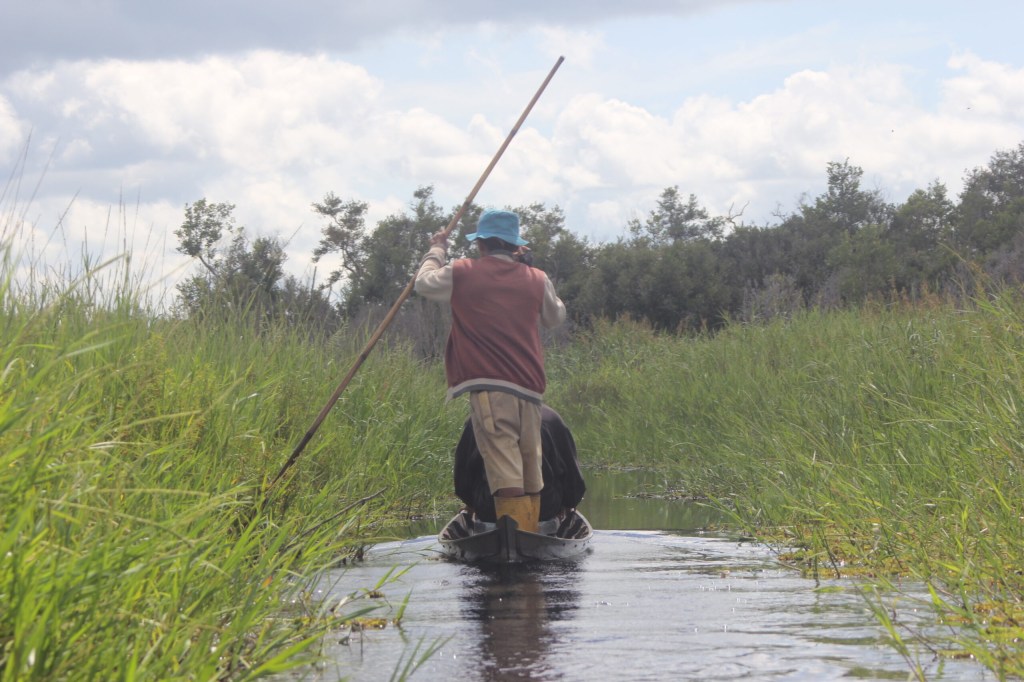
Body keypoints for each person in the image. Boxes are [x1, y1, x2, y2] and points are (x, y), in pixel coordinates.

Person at [414, 209, 566, 532]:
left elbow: (424, 284)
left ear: (481, 244)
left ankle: (515, 543)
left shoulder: (463, 272)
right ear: (515, 246)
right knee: (529, 470)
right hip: (530, 389)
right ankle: (527, 538)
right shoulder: (537, 278)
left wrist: (437, 250)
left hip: (490, 390)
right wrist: (530, 271)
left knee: (505, 471)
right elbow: (556, 317)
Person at [454, 404, 585, 527]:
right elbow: (573, 484)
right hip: (544, 509)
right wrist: (569, 504)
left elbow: (463, 484)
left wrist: (473, 505)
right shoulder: (550, 418)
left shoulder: (477, 420)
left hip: (490, 510)